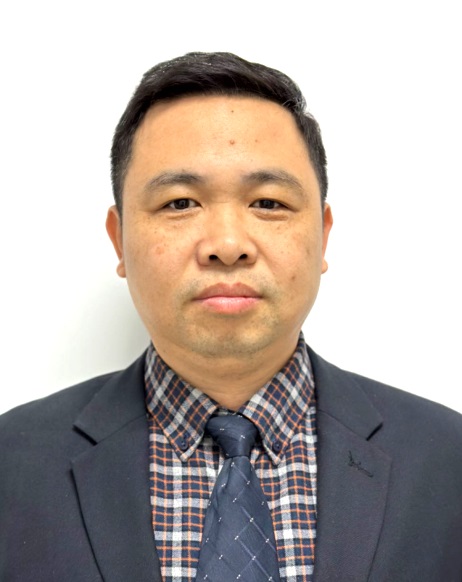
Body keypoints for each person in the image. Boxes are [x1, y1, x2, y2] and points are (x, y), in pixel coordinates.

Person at [1, 52, 461, 582]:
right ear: (119, 238)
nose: (226, 245)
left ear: (323, 235)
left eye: (268, 202)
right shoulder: (12, 464)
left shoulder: (448, 459)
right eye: (180, 203)